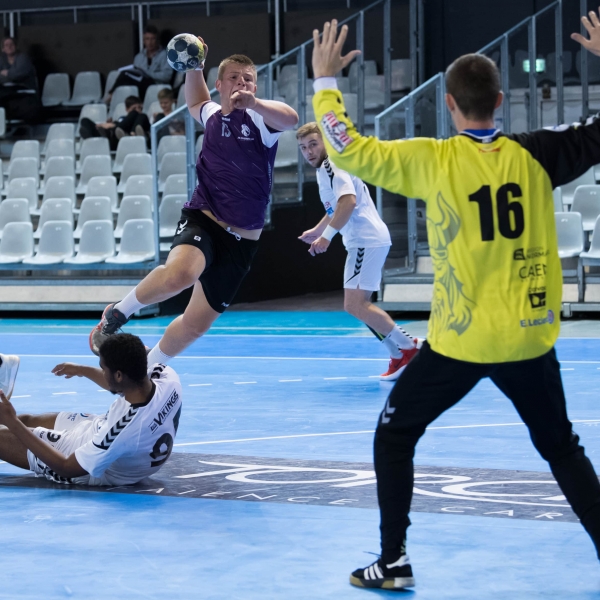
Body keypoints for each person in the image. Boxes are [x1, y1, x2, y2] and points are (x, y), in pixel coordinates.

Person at [310, 14, 600, 591]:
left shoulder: (433, 160)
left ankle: (392, 560)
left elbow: (350, 147)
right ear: (499, 101)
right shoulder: (539, 154)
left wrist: (324, 82)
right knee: (562, 449)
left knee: (395, 435)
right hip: (527, 337)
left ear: (448, 104)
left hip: (463, 341)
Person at [89, 41, 298, 366]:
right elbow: (197, 101)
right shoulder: (213, 114)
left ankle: (150, 367)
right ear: (221, 84)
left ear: (255, 86)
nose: (241, 83)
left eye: (247, 79)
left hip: (242, 241)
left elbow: (291, 118)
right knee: (181, 274)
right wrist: (194, 67)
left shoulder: (261, 122)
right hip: (205, 219)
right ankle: (117, 313)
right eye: (234, 78)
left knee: (195, 324)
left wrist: (254, 103)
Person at [296, 122, 418, 380]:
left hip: (366, 240)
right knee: (359, 305)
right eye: (303, 147)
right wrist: (319, 230)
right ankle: (397, 354)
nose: (308, 151)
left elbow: (348, 202)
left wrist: (327, 238)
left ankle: (409, 346)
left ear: (326, 143)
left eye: (313, 144)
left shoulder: (332, 165)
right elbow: (335, 208)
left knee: (355, 304)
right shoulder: (325, 169)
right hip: (365, 240)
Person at [0, 333, 182, 486]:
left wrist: (12, 423)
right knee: (27, 421)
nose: (101, 372)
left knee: (10, 429)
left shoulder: (122, 431)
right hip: (100, 428)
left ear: (118, 375)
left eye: (103, 368)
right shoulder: (166, 377)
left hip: (80, 463)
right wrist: (81, 370)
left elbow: (66, 467)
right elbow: (124, 378)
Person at [107, 25, 172, 103]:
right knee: (125, 75)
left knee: (125, 74)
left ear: (157, 40)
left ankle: (111, 95)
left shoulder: (164, 55)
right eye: (147, 39)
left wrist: (147, 73)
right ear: (144, 41)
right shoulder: (139, 57)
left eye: (153, 39)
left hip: (155, 84)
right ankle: (120, 101)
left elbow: (167, 76)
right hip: (140, 85)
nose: (150, 42)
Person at [79, 95, 150, 150]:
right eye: (134, 108)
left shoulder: (141, 118)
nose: (138, 110)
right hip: (107, 135)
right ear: (127, 109)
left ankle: (93, 143)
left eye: (140, 108)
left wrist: (112, 125)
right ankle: (91, 140)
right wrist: (108, 125)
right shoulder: (121, 118)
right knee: (84, 120)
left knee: (134, 116)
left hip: (116, 140)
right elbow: (119, 124)